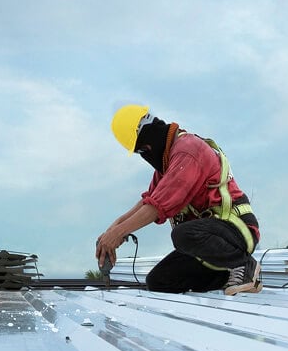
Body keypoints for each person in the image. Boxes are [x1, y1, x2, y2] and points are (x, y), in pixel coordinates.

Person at [95, 104, 262, 295]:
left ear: (148, 142)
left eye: (142, 151)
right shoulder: (168, 163)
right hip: (210, 241)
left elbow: (158, 207)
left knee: (183, 235)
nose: (145, 155)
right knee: (159, 281)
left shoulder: (187, 151)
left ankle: (243, 264)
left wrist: (118, 233)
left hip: (236, 231)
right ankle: (225, 276)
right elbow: (149, 200)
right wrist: (113, 229)